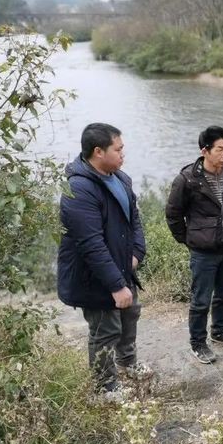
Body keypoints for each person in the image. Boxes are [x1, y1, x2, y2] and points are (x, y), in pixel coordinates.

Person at [57, 122, 150, 399]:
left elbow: (135, 220)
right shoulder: (79, 189)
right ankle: (104, 387)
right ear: (98, 152)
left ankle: (128, 363)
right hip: (94, 276)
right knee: (105, 329)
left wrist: (136, 254)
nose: (123, 154)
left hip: (122, 268)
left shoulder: (119, 178)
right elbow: (90, 244)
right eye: (118, 149)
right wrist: (115, 285)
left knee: (130, 315)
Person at [165, 126, 223, 364]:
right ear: (205, 151)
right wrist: (188, 240)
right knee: (201, 299)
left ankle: (219, 331)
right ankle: (198, 342)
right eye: (220, 149)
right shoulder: (188, 179)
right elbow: (173, 214)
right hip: (203, 251)